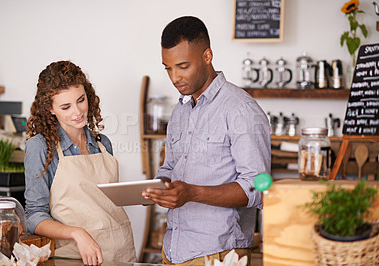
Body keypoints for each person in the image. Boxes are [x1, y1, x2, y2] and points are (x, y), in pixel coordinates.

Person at [142, 16, 271, 265]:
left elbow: (258, 188)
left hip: (219, 253)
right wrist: (158, 188)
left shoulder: (241, 109)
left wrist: (191, 193)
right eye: (168, 68)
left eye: (182, 66)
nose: (174, 77)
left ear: (207, 56)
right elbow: (170, 168)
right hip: (172, 250)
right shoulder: (180, 111)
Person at [24, 61, 136, 265]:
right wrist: (77, 233)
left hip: (120, 250)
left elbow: (105, 203)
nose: (77, 112)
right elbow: (34, 215)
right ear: (50, 109)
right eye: (66, 107)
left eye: (81, 100)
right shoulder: (41, 147)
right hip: (74, 256)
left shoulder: (103, 144)